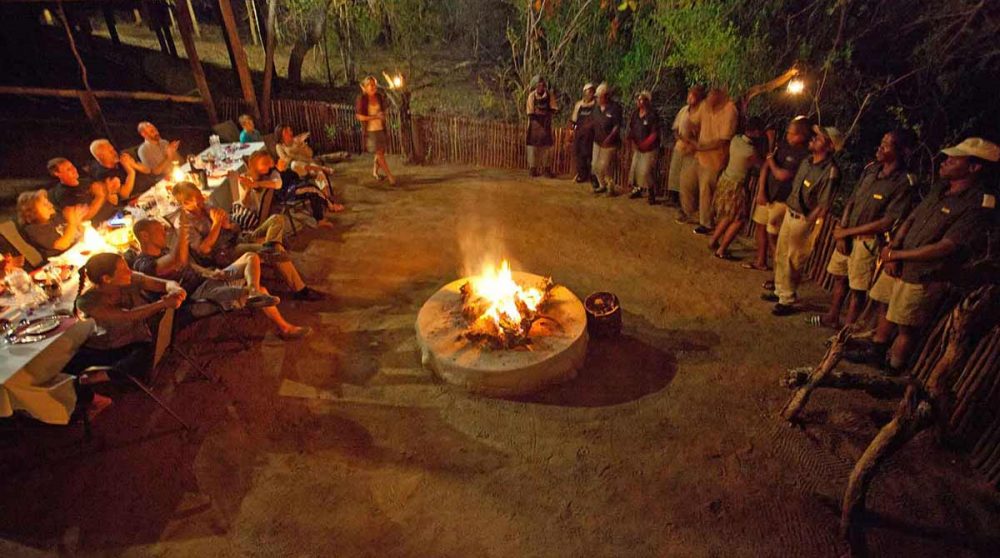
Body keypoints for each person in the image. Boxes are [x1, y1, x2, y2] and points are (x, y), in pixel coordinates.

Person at [846, 137, 998, 373]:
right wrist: (893, 247)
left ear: (974, 167)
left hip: (923, 273)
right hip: (899, 262)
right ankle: (877, 350)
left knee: (906, 325)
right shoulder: (941, 188)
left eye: (953, 160)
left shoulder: (977, 204)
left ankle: (893, 369)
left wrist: (898, 254)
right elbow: (911, 219)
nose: (945, 162)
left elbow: (946, 247)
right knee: (885, 304)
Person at [132, 217, 312, 340]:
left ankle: (253, 291)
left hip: (207, 280)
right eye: (159, 230)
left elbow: (189, 265)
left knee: (251, 257)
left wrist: (208, 272)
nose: (164, 233)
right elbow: (176, 260)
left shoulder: (162, 250)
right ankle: (285, 328)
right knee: (262, 291)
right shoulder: (143, 264)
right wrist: (182, 229)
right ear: (144, 236)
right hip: (195, 298)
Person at [811, 130, 916, 329]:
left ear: (901, 151)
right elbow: (852, 200)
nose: (880, 147)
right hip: (848, 235)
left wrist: (846, 233)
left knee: (857, 289)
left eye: (887, 144)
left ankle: (846, 332)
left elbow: (887, 221)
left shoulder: (903, 182)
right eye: (882, 142)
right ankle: (832, 316)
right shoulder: (871, 169)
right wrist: (842, 230)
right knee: (840, 277)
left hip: (867, 241)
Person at [170, 181, 325, 301]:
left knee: (276, 219)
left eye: (200, 195)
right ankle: (300, 290)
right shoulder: (185, 223)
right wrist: (216, 225)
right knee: (277, 250)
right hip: (226, 252)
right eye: (197, 199)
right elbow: (204, 250)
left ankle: (271, 246)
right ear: (185, 203)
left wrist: (229, 225)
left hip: (239, 238)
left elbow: (236, 227)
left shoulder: (207, 206)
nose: (202, 200)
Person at [64, 252, 184, 388]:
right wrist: (163, 304)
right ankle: (104, 379)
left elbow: (165, 284)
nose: (130, 271)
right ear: (107, 279)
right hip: (107, 348)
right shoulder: (88, 302)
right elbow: (129, 315)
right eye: (124, 270)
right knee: (65, 367)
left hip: (136, 341)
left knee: (147, 354)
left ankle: (103, 376)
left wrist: (175, 290)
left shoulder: (131, 279)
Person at [765, 125, 843, 316]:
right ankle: (780, 291)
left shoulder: (830, 171)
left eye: (820, 138)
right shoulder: (807, 161)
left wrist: (809, 220)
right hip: (791, 213)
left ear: (830, 146)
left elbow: (824, 203)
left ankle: (787, 298)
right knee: (782, 253)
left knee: (794, 259)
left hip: (804, 219)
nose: (814, 138)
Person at [748, 116, 812, 272]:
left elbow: (781, 175)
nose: (788, 135)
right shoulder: (783, 146)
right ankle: (761, 261)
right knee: (761, 227)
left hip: (782, 200)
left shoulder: (804, 156)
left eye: (791, 133)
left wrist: (771, 160)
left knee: (775, 237)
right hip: (768, 194)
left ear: (801, 136)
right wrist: (761, 190)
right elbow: (766, 167)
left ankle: (780, 273)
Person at [708, 117, 765, 259]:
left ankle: (713, 240)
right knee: (739, 219)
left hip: (726, 180)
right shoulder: (751, 150)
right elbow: (762, 165)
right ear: (756, 132)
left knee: (729, 215)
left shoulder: (735, 140)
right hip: (737, 186)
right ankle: (721, 250)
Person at [687, 86, 738, 235]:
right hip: (700, 155)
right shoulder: (705, 105)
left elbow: (723, 140)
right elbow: (694, 120)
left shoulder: (730, 110)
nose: (707, 101)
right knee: (689, 184)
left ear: (718, 97)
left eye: (710, 98)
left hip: (715, 159)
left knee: (706, 191)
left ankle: (707, 223)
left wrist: (701, 147)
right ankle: (694, 213)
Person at [243, 150, 337, 229]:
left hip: (291, 184)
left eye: (269, 160)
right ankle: (329, 207)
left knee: (310, 188)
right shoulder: (265, 176)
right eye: (264, 163)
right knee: (311, 189)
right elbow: (277, 184)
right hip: (287, 192)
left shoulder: (269, 172)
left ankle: (323, 212)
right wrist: (253, 185)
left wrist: (280, 169)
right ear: (255, 167)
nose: (269, 164)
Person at [274, 124, 345, 213]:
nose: (290, 133)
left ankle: (327, 200)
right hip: (297, 171)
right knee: (294, 164)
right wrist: (297, 155)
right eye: (286, 132)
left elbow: (310, 154)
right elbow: (287, 160)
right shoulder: (279, 146)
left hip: (309, 165)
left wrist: (301, 145)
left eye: (290, 130)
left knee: (320, 174)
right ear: (281, 134)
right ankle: (321, 168)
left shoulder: (296, 141)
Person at [16, 189, 87, 258]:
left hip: (79, 249)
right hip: (63, 259)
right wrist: (72, 223)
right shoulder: (33, 230)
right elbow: (62, 245)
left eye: (48, 202)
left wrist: (77, 219)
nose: (50, 205)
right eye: (45, 205)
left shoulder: (54, 216)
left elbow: (79, 231)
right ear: (32, 213)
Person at [668, 85, 705, 210]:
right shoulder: (684, 110)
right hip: (680, 145)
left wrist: (691, 141)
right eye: (690, 94)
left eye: (693, 95)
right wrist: (679, 138)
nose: (690, 97)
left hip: (692, 149)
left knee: (687, 178)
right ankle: (674, 198)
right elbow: (675, 127)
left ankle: (685, 204)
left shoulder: (701, 113)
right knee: (675, 172)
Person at [355, 76, 396, 185]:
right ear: (365, 87)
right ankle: (390, 176)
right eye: (371, 85)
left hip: (381, 128)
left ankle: (375, 172)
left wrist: (383, 115)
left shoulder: (378, 96)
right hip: (371, 131)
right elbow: (359, 116)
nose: (373, 87)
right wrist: (375, 117)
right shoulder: (362, 99)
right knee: (379, 153)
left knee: (380, 152)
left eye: (374, 84)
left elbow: (383, 109)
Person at [46, 157, 114, 223]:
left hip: (113, 215)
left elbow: (110, 199)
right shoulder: (63, 194)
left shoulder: (87, 181)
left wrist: (108, 189)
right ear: (57, 174)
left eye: (72, 166)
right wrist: (99, 197)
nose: (74, 170)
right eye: (68, 169)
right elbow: (82, 218)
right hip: (101, 224)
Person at [626, 90, 661, 203]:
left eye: (641, 99)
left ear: (647, 101)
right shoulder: (635, 114)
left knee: (646, 171)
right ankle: (637, 189)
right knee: (635, 169)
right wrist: (632, 142)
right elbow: (632, 129)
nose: (638, 101)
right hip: (638, 146)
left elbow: (654, 133)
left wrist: (645, 144)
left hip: (650, 148)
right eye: (638, 99)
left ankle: (651, 192)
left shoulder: (652, 115)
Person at [89, 138, 153, 200]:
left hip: (150, 187)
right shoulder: (102, 174)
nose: (114, 153)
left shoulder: (120, 156)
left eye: (113, 149)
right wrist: (130, 173)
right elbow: (125, 194)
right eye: (110, 152)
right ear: (101, 156)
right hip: (136, 198)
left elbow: (148, 170)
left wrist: (134, 165)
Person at [590, 82, 624, 195]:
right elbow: (592, 122)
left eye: (599, 96)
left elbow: (617, 126)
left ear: (606, 96)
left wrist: (609, 138)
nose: (597, 99)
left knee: (604, 166)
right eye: (596, 97)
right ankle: (602, 185)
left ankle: (610, 186)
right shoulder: (596, 108)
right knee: (595, 165)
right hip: (597, 141)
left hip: (610, 143)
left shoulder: (615, 108)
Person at [525, 76, 559, 178]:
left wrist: (547, 115)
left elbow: (554, 108)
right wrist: (541, 115)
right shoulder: (532, 96)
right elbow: (530, 112)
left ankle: (546, 169)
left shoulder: (549, 95)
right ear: (535, 86)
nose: (540, 87)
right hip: (534, 125)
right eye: (538, 85)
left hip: (546, 125)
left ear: (544, 86)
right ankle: (532, 169)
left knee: (547, 148)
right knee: (532, 148)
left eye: (542, 85)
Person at [569, 83, 597, 183]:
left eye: (591, 92)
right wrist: (572, 131)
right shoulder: (579, 105)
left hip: (592, 134)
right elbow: (574, 119)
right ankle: (582, 175)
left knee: (590, 154)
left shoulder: (596, 105)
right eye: (587, 92)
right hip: (580, 133)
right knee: (580, 154)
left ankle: (591, 175)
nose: (589, 94)